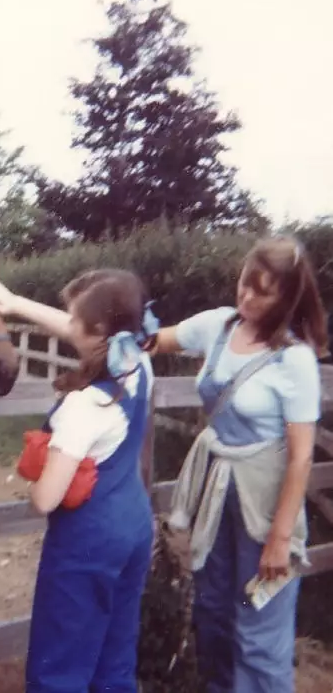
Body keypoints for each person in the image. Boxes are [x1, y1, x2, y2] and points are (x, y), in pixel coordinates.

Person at [152, 235, 328, 693]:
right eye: (245, 284)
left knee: (257, 628)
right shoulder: (219, 326)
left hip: (265, 504)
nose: (247, 297)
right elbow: (155, 339)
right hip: (217, 490)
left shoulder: (295, 360)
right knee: (212, 611)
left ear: (287, 297)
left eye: (262, 291)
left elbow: (301, 454)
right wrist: (115, 325)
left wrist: (280, 537)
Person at [0, 268, 158, 692]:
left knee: (59, 669)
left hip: (86, 542)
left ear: (98, 331)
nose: (68, 325)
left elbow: (46, 499)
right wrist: (14, 302)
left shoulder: (84, 406)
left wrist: (38, 469)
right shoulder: (138, 364)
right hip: (132, 527)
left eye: (74, 320)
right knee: (114, 661)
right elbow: (82, 330)